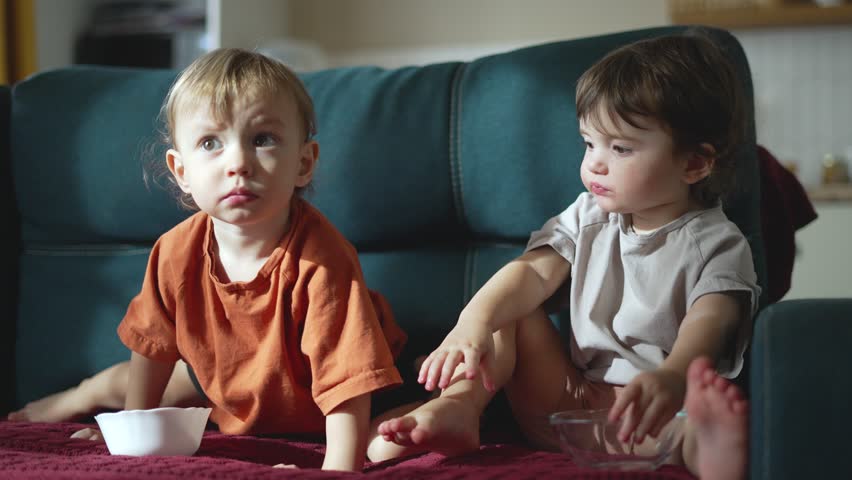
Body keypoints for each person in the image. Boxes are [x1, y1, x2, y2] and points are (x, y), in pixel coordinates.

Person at [7, 47, 420, 472]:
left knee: (387, 442)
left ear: (303, 162)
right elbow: (152, 346)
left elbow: (349, 382)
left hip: (329, 391)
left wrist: (337, 467)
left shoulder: (323, 260)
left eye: (262, 139)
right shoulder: (174, 252)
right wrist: (134, 431)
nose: (238, 163)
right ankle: (83, 394)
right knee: (158, 386)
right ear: (181, 171)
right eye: (211, 143)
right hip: (226, 380)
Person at [375, 31, 760, 480]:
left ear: (694, 164)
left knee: (696, 427)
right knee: (512, 310)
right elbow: (530, 275)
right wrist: (472, 323)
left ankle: (708, 451)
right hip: (565, 406)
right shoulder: (587, 215)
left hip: (651, 414)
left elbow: (710, 321)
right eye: (588, 142)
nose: (595, 163)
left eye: (619, 148)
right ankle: (458, 408)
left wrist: (674, 378)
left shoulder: (718, 243)